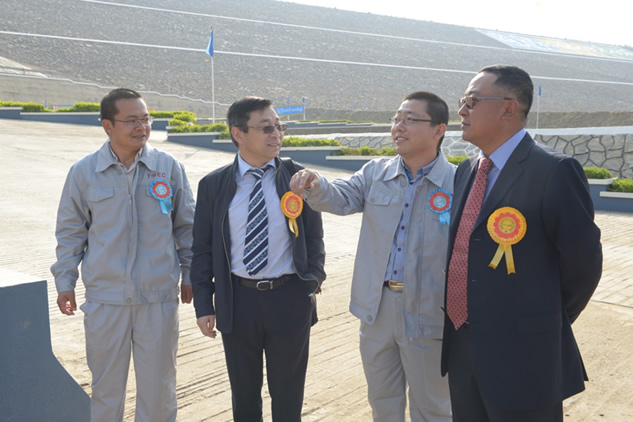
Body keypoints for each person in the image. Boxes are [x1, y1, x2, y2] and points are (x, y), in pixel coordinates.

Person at [441, 65, 603, 421]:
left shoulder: (554, 171)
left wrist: (540, 319)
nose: (462, 110)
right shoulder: (467, 170)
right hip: (463, 348)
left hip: (524, 356)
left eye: (472, 101)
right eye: (462, 101)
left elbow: (583, 266)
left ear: (508, 108)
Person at [290, 91, 454, 421]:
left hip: (429, 310)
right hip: (377, 309)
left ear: (439, 130)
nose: (399, 127)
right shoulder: (376, 172)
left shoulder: (457, 181)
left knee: (433, 408)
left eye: (410, 119)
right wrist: (316, 184)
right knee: (382, 401)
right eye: (396, 119)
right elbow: (341, 196)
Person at [51, 88, 195, 421]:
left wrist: (191, 274)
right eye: (131, 120)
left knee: (159, 393)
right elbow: (71, 232)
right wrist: (65, 281)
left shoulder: (168, 167)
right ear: (107, 125)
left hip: (158, 300)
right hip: (106, 300)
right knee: (106, 392)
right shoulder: (84, 172)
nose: (141, 127)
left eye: (145, 119)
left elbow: (187, 226)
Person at [191, 96, 326, 422]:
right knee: (245, 397)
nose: (276, 134)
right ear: (238, 133)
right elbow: (202, 249)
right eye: (266, 128)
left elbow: (314, 237)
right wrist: (204, 305)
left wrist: (312, 280)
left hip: (289, 299)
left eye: (279, 127)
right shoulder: (213, 185)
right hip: (237, 302)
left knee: (288, 396)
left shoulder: (297, 178)